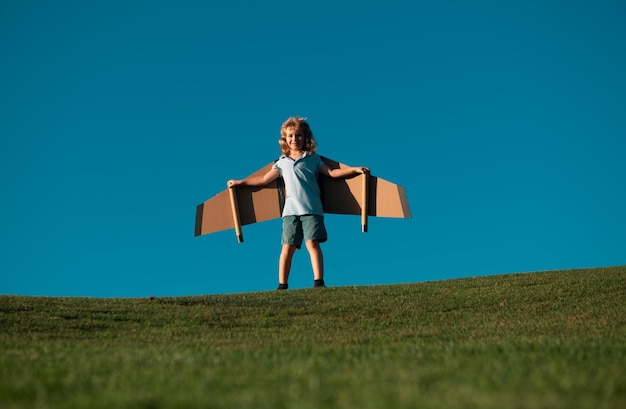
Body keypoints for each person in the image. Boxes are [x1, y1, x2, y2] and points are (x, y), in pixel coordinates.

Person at [227, 117, 368, 290]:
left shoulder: (313, 159)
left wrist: (354, 169)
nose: (294, 139)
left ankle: (319, 282)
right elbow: (263, 180)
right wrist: (240, 182)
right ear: (285, 139)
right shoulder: (281, 162)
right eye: (291, 136)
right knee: (288, 247)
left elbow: (331, 173)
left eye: (298, 135)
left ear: (305, 137)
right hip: (290, 212)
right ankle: (282, 285)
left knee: (312, 244)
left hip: (312, 209)